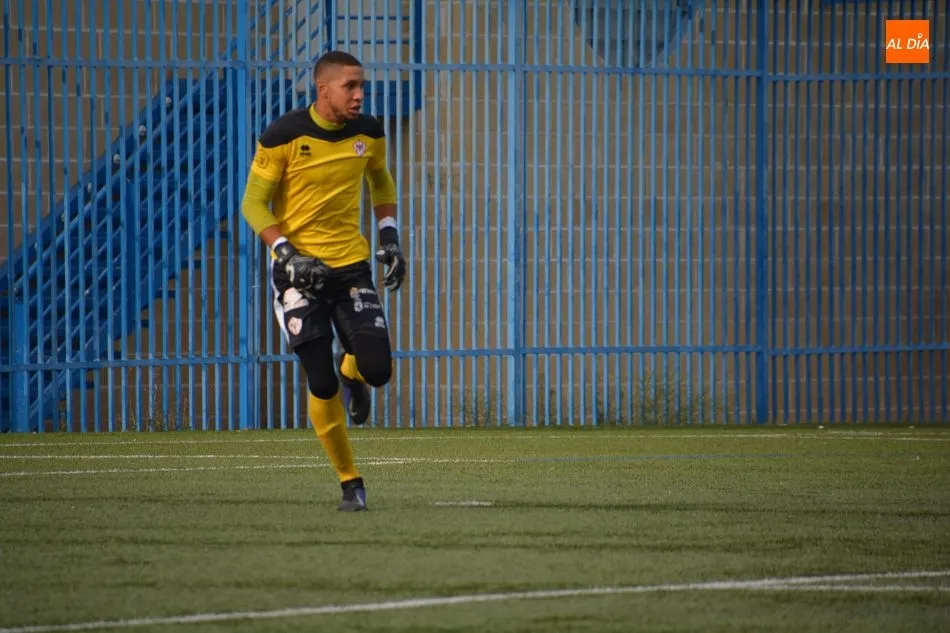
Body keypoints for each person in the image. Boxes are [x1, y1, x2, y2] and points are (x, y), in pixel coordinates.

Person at [240, 50, 407, 512]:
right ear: (322, 89)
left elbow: (381, 181)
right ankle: (350, 483)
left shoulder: (369, 132)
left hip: (350, 266)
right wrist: (286, 253)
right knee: (320, 382)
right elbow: (252, 203)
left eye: (361, 85)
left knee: (378, 370)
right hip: (298, 273)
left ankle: (352, 372)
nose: (359, 95)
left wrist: (390, 238)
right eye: (350, 86)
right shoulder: (283, 135)